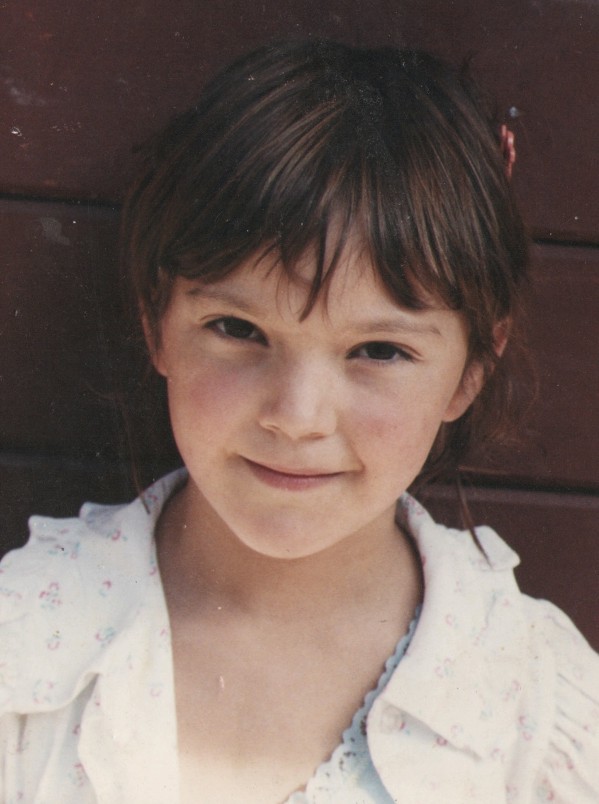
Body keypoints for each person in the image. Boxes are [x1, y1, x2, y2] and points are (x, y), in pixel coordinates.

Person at [0, 40, 597, 803]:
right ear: (156, 321)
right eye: (238, 330)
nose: (296, 416)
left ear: (473, 367)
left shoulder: (537, 708)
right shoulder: (22, 645)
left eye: (377, 350)